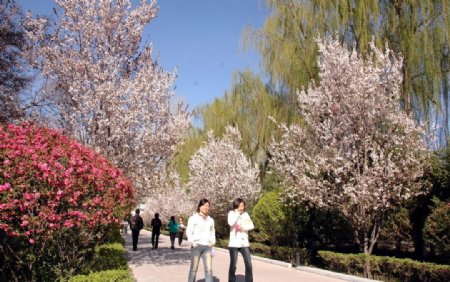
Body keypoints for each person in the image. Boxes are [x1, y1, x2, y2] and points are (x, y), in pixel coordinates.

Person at [186, 199, 216, 282]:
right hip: (196, 246)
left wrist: (213, 242)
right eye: (204, 205)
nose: (206, 207)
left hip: (207, 247)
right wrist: (192, 242)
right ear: (199, 207)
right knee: (193, 269)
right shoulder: (193, 218)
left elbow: (212, 231)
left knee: (209, 269)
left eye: (207, 206)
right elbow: (189, 231)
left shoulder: (211, 220)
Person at [228, 198, 254, 282]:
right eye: (239, 206)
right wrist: (237, 214)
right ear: (235, 206)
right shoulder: (231, 213)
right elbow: (231, 223)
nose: (241, 208)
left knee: (248, 264)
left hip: (244, 243)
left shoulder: (246, 214)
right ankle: (231, 280)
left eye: (242, 206)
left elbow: (251, 226)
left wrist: (243, 228)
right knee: (233, 264)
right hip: (234, 243)